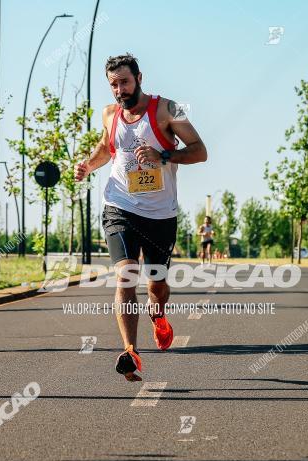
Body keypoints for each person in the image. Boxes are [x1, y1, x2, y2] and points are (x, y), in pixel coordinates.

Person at [75, 53, 208, 381]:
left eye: (124, 82)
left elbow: (200, 150)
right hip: (119, 206)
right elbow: (106, 148)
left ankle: (159, 315)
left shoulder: (168, 108)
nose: (119, 90)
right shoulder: (110, 114)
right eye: (113, 85)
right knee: (125, 276)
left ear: (139, 78)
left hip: (160, 215)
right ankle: (130, 351)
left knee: (157, 284)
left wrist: (163, 154)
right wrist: (88, 165)